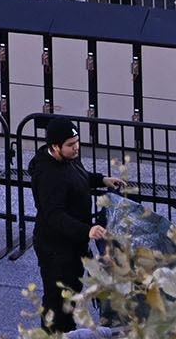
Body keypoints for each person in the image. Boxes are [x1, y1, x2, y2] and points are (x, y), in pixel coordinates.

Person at [29, 113, 110, 332]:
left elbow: (78, 176)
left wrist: (101, 179)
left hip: (72, 245)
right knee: (57, 303)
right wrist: (88, 230)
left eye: (77, 143)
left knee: (70, 297)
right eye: (70, 145)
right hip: (56, 250)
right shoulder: (49, 176)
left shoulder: (68, 159)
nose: (76, 148)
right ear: (55, 147)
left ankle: (67, 331)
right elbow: (54, 216)